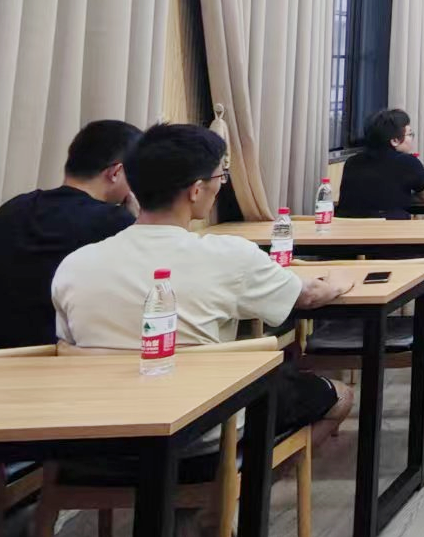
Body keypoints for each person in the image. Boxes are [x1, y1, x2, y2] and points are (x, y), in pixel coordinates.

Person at [53, 123, 355, 445]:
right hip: (203, 432)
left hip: (91, 432)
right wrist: (339, 281)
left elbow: (67, 346)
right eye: (219, 177)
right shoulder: (229, 255)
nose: (221, 185)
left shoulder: (75, 265)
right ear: (196, 190)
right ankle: (242, 476)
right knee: (342, 395)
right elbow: (307, 296)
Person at [0, 120, 141, 349]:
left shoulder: (14, 208)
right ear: (116, 172)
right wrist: (138, 222)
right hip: (65, 356)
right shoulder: (116, 224)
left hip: (7, 356)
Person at [336, 108, 424, 219]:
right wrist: (405, 197)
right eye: (410, 134)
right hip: (389, 227)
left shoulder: (351, 162)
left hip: (348, 227)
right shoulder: (408, 162)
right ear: (395, 141)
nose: (412, 139)